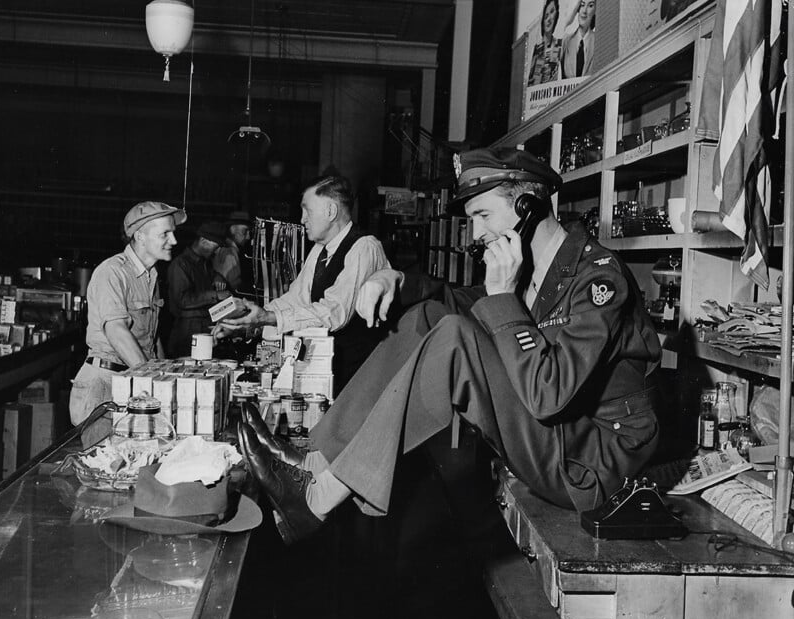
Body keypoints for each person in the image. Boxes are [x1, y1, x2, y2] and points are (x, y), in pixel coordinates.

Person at [238, 146, 662, 545]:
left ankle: (318, 501)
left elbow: (549, 395)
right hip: (558, 440)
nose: (476, 234)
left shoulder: (598, 278)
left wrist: (503, 298)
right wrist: (392, 279)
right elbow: (447, 299)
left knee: (455, 338)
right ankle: (317, 458)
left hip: (593, 462)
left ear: (528, 206)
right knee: (426, 317)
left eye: (483, 215)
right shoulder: (536, 272)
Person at [215, 175, 390, 393]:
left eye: (307, 211)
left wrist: (266, 317)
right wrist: (247, 321)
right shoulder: (319, 249)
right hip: (327, 371)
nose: (302, 219)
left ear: (331, 211)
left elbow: (334, 312)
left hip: (359, 376)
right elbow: (295, 298)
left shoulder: (364, 247)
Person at [70, 201, 185, 426]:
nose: (174, 241)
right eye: (165, 234)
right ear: (140, 236)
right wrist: (152, 381)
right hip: (104, 388)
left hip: (133, 382)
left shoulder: (151, 276)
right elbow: (116, 331)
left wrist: (166, 374)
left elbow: (152, 338)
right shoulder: (112, 272)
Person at [166, 221, 230, 358]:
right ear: (203, 241)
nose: (217, 251)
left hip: (203, 326)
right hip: (187, 331)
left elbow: (211, 277)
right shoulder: (180, 265)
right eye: (216, 246)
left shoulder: (204, 263)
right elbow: (182, 300)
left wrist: (218, 277)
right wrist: (216, 295)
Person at [213, 211, 253, 293]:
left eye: (249, 232)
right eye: (244, 231)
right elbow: (234, 285)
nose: (248, 237)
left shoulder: (225, 248)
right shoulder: (229, 252)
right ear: (232, 230)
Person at [528, 0, 563, 86]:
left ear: (556, 15)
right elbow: (530, 83)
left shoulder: (560, 45)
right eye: (546, 16)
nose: (549, 19)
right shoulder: (536, 49)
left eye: (552, 12)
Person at [561, 0, 596, 79]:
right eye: (582, 5)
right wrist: (568, 21)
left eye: (590, 6)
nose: (584, 11)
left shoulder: (598, 41)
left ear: (595, 11)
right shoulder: (566, 41)